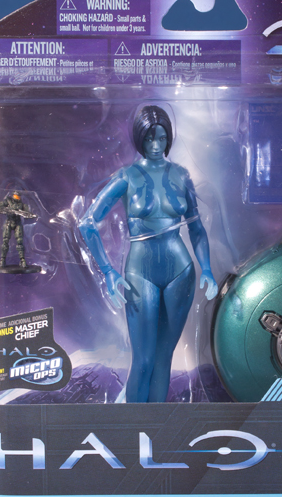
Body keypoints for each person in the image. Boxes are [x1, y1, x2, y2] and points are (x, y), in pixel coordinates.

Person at [79, 105, 218, 403]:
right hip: (140, 272)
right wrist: (108, 271)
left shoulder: (181, 175)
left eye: (162, 137)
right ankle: (132, 425)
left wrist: (206, 268)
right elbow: (87, 223)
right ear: (140, 138)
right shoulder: (127, 176)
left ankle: (156, 425)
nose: (156, 145)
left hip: (180, 270)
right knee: (142, 360)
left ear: (169, 138)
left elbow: (196, 228)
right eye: (150, 138)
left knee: (163, 357)